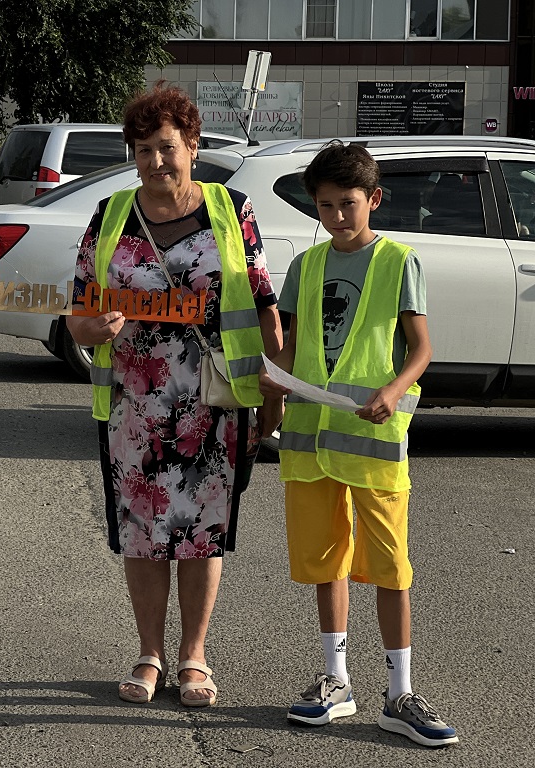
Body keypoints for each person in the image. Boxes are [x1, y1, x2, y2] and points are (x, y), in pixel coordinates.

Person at [66, 83, 283, 706]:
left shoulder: (232, 210)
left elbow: (262, 301)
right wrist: (93, 326)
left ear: (192, 144)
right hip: (134, 405)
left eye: (167, 148)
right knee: (142, 531)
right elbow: (77, 312)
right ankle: (148, 653)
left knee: (202, 531)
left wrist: (274, 389)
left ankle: (193, 656)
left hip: (213, 401)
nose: (156, 162)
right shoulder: (109, 216)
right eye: (143, 151)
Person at [258, 141, 458, 747]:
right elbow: (289, 352)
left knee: (392, 568)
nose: (337, 217)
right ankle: (336, 680)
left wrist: (394, 392)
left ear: (373, 199)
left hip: (372, 439)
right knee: (328, 562)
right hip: (311, 440)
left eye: (348, 204)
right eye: (324, 206)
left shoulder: (399, 261)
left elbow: (420, 350)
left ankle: (399, 693)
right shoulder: (307, 266)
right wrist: (268, 399)